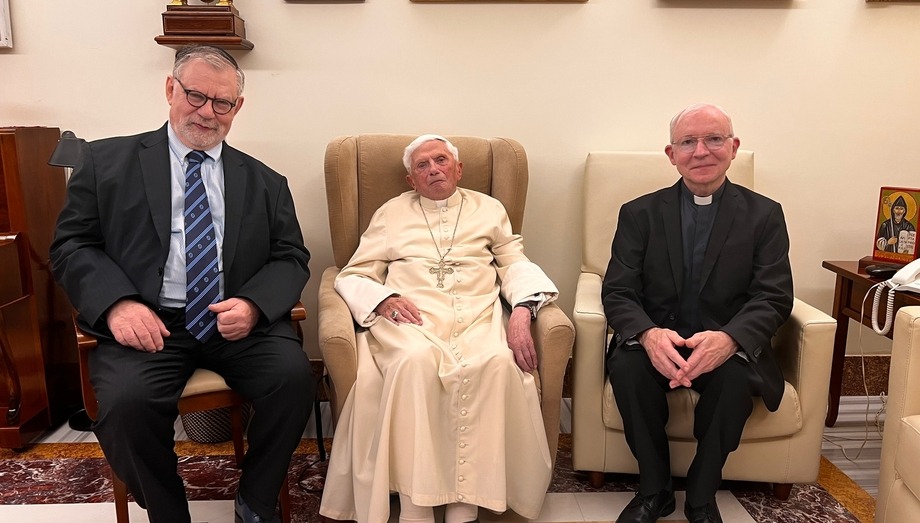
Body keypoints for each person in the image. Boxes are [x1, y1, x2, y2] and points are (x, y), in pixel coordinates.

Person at [49, 45, 314, 523]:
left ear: (237, 109)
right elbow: (72, 246)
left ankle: (254, 499)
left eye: (222, 103)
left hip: (234, 319)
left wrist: (254, 306)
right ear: (170, 89)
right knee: (127, 405)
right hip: (149, 322)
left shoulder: (266, 182)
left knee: (294, 380)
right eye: (195, 95)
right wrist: (117, 305)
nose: (207, 112)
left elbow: (291, 256)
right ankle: (167, 510)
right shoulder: (103, 162)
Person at [319, 135, 558, 523]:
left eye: (441, 160)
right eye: (422, 166)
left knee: (497, 363)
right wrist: (383, 300)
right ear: (411, 180)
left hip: (478, 316)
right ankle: (418, 505)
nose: (434, 170)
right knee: (413, 363)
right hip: (412, 320)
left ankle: (466, 504)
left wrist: (522, 312)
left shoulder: (489, 208)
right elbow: (355, 271)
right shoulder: (391, 213)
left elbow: (514, 261)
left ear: (458, 169)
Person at [602, 104, 793, 523]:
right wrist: (650, 335)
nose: (701, 151)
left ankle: (702, 496)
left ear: (733, 147)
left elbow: (773, 296)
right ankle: (654, 491)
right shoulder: (639, 213)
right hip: (657, 339)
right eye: (688, 142)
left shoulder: (765, 215)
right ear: (671, 154)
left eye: (714, 139)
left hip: (727, 341)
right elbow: (618, 291)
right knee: (630, 372)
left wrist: (729, 339)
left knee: (733, 382)